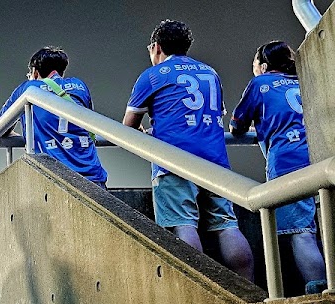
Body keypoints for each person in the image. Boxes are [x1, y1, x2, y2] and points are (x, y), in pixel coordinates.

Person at [124, 20, 255, 282]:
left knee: (182, 225)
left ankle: (198, 288)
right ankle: (250, 289)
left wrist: (151, 133)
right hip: (215, 162)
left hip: (174, 161)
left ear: (156, 47)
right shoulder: (210, 73)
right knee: (227, 226)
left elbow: (128, 126)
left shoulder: (152, 75)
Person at [231, 41, 326, 290]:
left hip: (288, 161)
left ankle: (321, 293)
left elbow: (237, 125)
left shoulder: (260, 84)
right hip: (322, 156)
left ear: (263, 66)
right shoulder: (304, 81)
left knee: (301, 232)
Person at [0, 46, 107, 185]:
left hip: (54, 178)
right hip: (93, 176)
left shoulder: (28, 89)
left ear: (35, 72)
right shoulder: (79, 86)